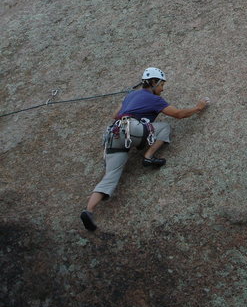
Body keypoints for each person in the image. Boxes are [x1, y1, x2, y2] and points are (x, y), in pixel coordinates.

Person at [80, 67, 209, 231]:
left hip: (114, 135)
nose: (163, 88)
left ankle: (89, 210)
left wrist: (130, 104)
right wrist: (198, 108)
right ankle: (148, 156)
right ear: (154, 82)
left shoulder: (130, 95)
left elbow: (115, 115)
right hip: (132, 129)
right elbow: (178, 114)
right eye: (162, 84)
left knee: (110, 176)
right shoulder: (154, 99)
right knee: (165, 127)